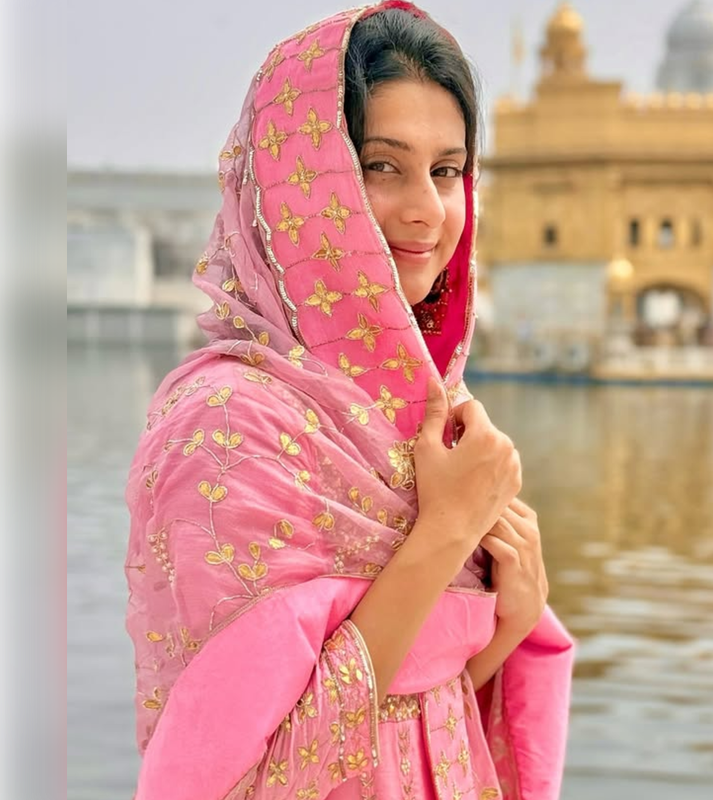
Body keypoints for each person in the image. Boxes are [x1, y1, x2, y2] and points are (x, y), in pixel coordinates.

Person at [123, 4, 574, 798]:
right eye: (381, 166)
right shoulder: (227, 429)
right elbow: (248, 780)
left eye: (446, 171)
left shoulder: (429, 418)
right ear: (295, 186)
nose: (426, 209)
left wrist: (510, 622)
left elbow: (421, 716)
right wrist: (446, 533)